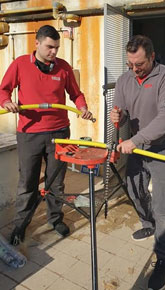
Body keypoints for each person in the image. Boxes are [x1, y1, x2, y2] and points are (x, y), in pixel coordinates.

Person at [0, 25, 93, 245]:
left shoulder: (63, 68)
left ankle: (54, 219)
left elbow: (76, 94)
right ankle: (21, 225)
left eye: (57, 47)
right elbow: (3, 89)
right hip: (30, 133)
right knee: (27, 183)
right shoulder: (20, 64)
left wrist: (82, 107)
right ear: (37, 43)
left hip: (60, 133)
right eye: (50, 47)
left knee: (56, 182)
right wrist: (6, 102)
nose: (54, 52)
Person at [110, 35, 165, 290]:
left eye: (140, 64)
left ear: (152, 57)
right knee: (134, 188)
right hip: (139, 145)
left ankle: (164, 259)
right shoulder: (124, 79)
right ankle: (148, 223)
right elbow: (122, 119)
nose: (134, 69)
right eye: (130, 64)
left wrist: (135, 140)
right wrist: (117, 119)